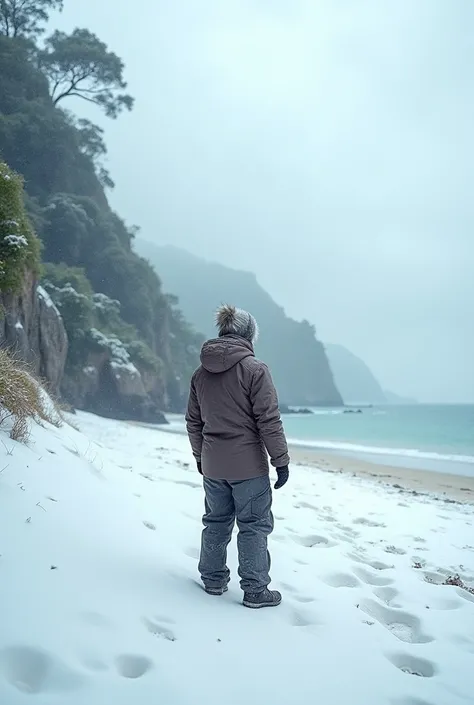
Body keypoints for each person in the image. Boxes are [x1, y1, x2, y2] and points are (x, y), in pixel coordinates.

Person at [185, 304, 290, 609]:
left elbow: (194, 422)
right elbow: (268, 420)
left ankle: (213, 579)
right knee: (254, 524)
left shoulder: (200, 374)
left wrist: (200, 458)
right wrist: (280, 461)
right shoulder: (255, 370)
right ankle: (256, 590)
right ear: (248, 335)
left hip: (213, 464)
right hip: (248, 467)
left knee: (216, 521)